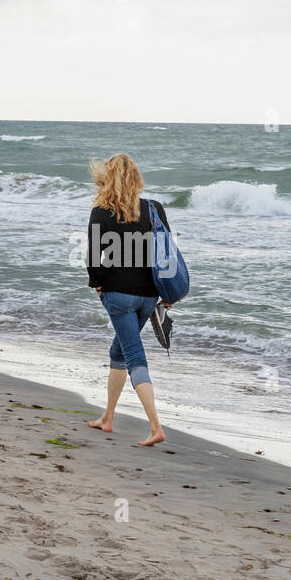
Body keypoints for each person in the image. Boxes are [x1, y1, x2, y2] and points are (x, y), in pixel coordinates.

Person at [85, 153, 171, 446]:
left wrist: (97, 285)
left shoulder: (101, 211)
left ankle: (155, 426)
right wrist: (168, 295)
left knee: (135, 357)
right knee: (118, 353)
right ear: (136, 177)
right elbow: (167, 254)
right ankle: (107, 418)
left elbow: (93, 258)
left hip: (118, 296)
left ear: (107, 179)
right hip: (149, 297)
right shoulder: (154, 208)